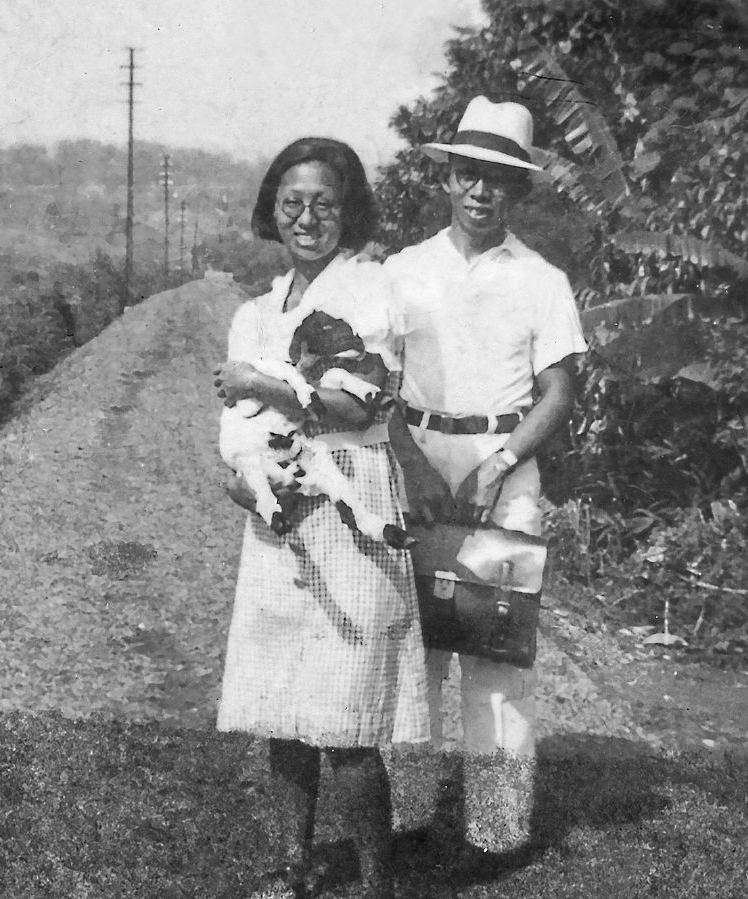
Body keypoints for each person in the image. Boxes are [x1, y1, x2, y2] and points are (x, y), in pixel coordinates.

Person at [214, 137, 429, 899]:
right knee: (281, 698)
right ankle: (292, 867)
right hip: (278, 506)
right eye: (292, 203)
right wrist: (245, 480)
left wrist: (261, 388)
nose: (307, 218)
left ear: (350, 212)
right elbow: (236, 426)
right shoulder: (254, 313)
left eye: (324, 204)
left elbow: (355, 402)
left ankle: (377, 882)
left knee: (346, 706)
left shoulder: (372, 292)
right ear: (273, 209)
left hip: (353, 497)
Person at [385, 96, 588, 864]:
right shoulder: (403, 272)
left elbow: (559, 391)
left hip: (505, 476)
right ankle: (405, 818)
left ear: (518, 191)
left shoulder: (542, 280)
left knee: (495, 656)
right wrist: (410, 462)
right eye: (468, 173)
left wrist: (497, 465)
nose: (479, 191)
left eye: (497, 180)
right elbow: (379, 385)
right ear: (447, 178)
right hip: (414, 469)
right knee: (412, 653)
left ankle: (496, 833)